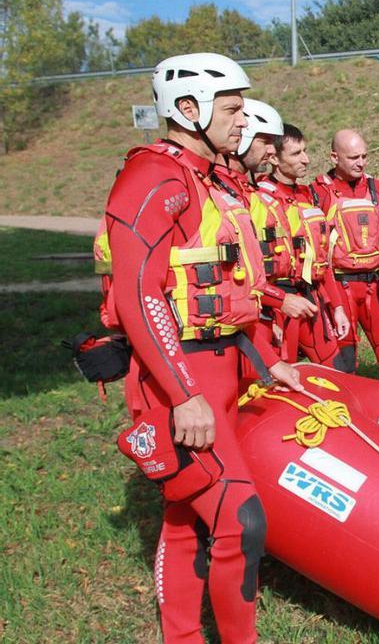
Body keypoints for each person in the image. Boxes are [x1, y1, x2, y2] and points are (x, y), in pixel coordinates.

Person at [99, 53, 302, 643]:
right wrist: (183, 395)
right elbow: (141, 294)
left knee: (186, 518)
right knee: (241, 519)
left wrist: (268, 362)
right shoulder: (154, 177)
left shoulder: (204, 176)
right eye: (234, 109)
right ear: (188, 109)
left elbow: (231, 287)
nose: (244, 121)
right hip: (180, 378)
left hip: (219, 370)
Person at [310, 129, 379, 378]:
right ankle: (349, 411)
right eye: (353, 157)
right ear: (334, 157)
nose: (361, 163)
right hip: (340, 285)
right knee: (345, 362)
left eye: (364, 157)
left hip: (375, 285)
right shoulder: (318, 192)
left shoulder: (378, 189)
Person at [257, 122, 351, 364]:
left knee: (337, 371)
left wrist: (337, 307)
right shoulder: (257, 199)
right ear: (274, 159)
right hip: (278, 302)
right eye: (296, 153)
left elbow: (322, 258)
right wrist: (264, 314)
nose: (306, 160)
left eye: (305, 151)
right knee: (283, 380)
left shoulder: (308, 196)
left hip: (311, 296)